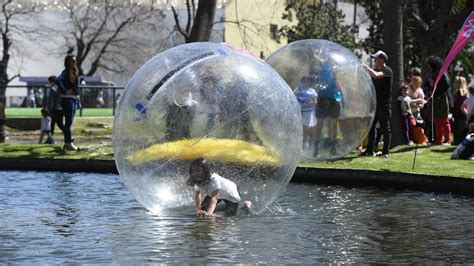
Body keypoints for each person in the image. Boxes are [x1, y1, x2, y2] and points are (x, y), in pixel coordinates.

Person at [186, 157, 251, 217]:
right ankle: (224, 207)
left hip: (231, 194)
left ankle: (244, 207)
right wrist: (198, 209)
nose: (195, 173)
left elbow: (214, 199)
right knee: (204, 209)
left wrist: (208, 214)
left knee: (228, 217)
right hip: (217, 193)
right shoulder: (196, 180)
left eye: (198, 170)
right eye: (193, 171)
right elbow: (197, 195)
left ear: (205, 171)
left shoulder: (214, 180)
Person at [361, 50, 393, 158]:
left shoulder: (387, 70)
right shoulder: (375, 70)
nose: (374, 60)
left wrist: (366, 68)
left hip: (384, 104)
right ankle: (370, 150)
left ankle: (385, 152)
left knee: (385, 128)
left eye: (376, 58)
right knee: (371, 127)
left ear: (382, 59)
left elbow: (376, 75)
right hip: (375, 104)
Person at [312, 57, 343, 157]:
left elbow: (338, 83)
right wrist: (311, 47)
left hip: (334, 99)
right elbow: (314, 57)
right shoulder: (323, 63)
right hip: (322, 98)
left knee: (333, 124)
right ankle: (316, 148)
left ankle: (333, 148)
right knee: (319, 124)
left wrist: (342, 97)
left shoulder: (337, 67)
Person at [56, 55, 81, 151]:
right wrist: (64, 91)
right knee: (68, 122)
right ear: (68, 62)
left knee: (69, 122)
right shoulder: (65, 72)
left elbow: (77, 89)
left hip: (74, 99)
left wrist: (78, 100)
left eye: (75, 60)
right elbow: (58, 80)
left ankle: (68, 142)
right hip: (67, 100)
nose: (75, 62)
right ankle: (68, 143)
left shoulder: (75, 72)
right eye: (72, 61)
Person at [427, 56, 452, 145]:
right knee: (437, 120)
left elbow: (446, 84)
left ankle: (447, 140)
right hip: (436, 98)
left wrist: (439, 93)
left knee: (444, 120)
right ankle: (438, 140)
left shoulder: (442, 73)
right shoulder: (436, 72)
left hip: (441, 98)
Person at [294, 76, 317, 149]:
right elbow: (293, 97)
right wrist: (300, 102)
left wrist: (312, 103)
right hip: (299, 112)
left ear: (309, 83)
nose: (305, 83)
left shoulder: (312, 91)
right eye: (304, 81)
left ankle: (307, 145)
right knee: (302, 128)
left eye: (307, 81)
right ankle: (303, 145)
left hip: (309, 112)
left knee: (307, 129)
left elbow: (315, 101)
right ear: (301, 82)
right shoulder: (297, 89)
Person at [452, 76, 469, 145]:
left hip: (460, 114)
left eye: (455, 82)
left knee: (458, 130)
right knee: (462, 131)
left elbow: (460, 104)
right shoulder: (466, 92)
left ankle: (457, 142)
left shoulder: (460, 92)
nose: (454, 83)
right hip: (462, 114)